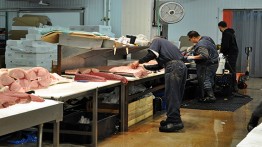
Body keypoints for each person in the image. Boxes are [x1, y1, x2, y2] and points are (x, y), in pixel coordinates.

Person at [130, 37, 187, 132]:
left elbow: (151, 54)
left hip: (174, 68)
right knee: (175, 95)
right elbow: (160, 65)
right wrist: (144, 67)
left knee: (172, 95)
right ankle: (171, 119)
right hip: (180, 67)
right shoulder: (168, 46)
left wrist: (138, 62)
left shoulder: (156, 40)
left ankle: (175, 121)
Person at [187, 31, 219, 103]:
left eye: (190, 39)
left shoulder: (201, 44)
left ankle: (211, 97)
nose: (190, 41)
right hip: (215, 63)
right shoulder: (207, 38)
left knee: (205, 80)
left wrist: (192, 56)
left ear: (194, 38)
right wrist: (194, 47)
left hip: (207, 64)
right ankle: (209, 94)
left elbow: (204, 55)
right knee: (210, 79)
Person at [218, 21, 239, 92]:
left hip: (230, 54)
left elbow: (225, 46)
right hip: (233, 53)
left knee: (230, 69)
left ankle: (233, 86)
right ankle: (233, 86)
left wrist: (221, 52)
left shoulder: (226, 33)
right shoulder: (231, 33)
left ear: (220, 27)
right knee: (232, 69)